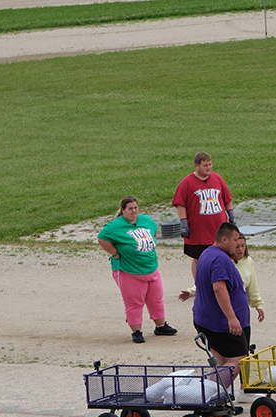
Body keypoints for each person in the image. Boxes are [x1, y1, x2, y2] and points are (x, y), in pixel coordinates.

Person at [96, 196, 177, 344]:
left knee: (156, 299)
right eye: (130, 208)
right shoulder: (115, 226)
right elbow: (102, 238)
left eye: (136, 207)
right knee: (134, 302)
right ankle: (137, 331)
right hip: (129, 271)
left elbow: (154, 230)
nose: (134, 211)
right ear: (123, 210)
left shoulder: (145, 220)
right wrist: (115, 253)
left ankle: (161, 326)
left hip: (151, 268)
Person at [190, 222, 250, 369]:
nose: (237, 245)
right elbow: (219, 289)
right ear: (225, 240)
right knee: (239, 360)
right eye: (235, 240)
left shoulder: (207, 253)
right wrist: (231, 318)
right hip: (220, 323)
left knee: (222, 361)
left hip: (204, 320)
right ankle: (212, 391)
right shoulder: (220, 259)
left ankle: (215, 390)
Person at [172, 151, 234, 282]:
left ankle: (222, 281)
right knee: (199, 257)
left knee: (222, 256)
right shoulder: (187, 182)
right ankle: (199, 284)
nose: (209, 167)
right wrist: (183, 224)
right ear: (197, 166)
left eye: (210, 164)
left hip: (218, 228)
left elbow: (227, 198)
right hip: (199, 230)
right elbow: (180, 204)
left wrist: (231, 216)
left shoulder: (217, 178)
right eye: (205, 165)